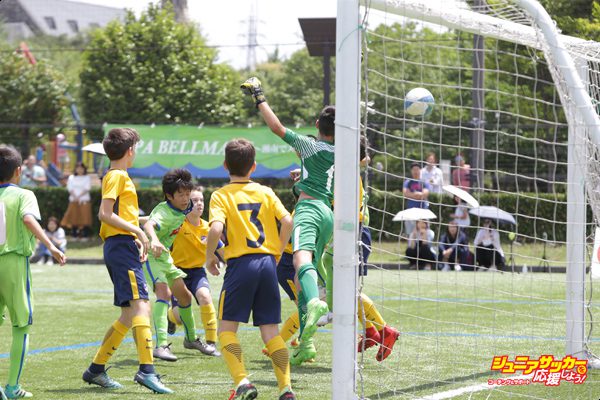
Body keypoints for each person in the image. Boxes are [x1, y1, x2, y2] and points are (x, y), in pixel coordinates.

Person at [241, 77, 333, 366]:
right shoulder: (339, 151)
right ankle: (305, 345)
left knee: (298, 261)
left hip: (308, 210)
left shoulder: (309, 145)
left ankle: (318, 302)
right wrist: (302, 176)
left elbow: (276, 127)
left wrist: (258, 96)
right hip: (327, 213)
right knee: (300, 275)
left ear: (318, 124)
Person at [81, 127, 172, 394]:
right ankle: (147, 371)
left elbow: (120, 216)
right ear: (130, 150)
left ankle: (96, 370)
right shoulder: (117, 175)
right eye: (136, 148)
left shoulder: (119, 176)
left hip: (123, 247)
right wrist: (136, 231)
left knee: (129, 314)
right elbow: (105, 214)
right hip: (120, 247)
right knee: (142, 308)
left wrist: (140, 233)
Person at [205, 138, 295, 400]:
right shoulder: (265, 192)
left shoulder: (221, 195)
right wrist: (278, 250)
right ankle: (286, 389)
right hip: (268, 263)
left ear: (225, 165)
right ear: (253, 166)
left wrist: (210, 256)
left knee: (226, 330)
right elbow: (288, 220)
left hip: (241, 265)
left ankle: (243, 382)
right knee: (270, 331)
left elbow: (215, 229)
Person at [0, 146, 66, 399]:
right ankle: (12, 387)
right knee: (21, 326)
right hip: (14, 263)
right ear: (18, 171)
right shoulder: (23, 194)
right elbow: (28, 219)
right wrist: (51, 246)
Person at [143, 169, 213, 361]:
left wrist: (133, 221)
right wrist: (154, 239)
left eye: (186, 194)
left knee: (185, 296)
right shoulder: (164, 212)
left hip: (165, 258)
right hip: (151, 257)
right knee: (164, 294)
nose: (185, 199)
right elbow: (150, 225)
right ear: (169, 195)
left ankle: (191, 340)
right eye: (180, 195)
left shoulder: (184, 207)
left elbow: (148, 220)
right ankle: (161, 345)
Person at [161, 185, 222, 357]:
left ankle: (211, 343)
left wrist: (233, 262)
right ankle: (170, 318)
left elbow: (223, 250)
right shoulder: (177, 223)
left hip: (197, 272)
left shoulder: (208, 228)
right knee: (180, 317)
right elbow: (155, 223)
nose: (199, 204)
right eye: (194, 201)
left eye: (202, 200)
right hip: (177, 273)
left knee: (205, 296)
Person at [61, 162, 92, 238]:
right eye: (78, 168)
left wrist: (79, 197)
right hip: (73, 200)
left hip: (84, 201)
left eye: (81, 168)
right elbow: (70, 188)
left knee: (85, 218)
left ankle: (85, 235)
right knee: (73, 218)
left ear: (84, 169)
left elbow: (87, 188)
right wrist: (75, 197)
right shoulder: (71, 177)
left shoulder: (87, 177)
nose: (80, 170)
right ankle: (74, 235)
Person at [402, 162, 431, 236]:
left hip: (423, 210)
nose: (415, 171)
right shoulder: (407, 182)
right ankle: (411, 247)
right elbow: (405, 193)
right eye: (414, 169)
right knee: (411, 233)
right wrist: (417, 194)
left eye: (417, 169)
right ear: (411, 171)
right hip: (411, 210)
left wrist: (417, 194)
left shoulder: (424, 182)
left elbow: (425, 193)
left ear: (420, 170)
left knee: (424, 232)